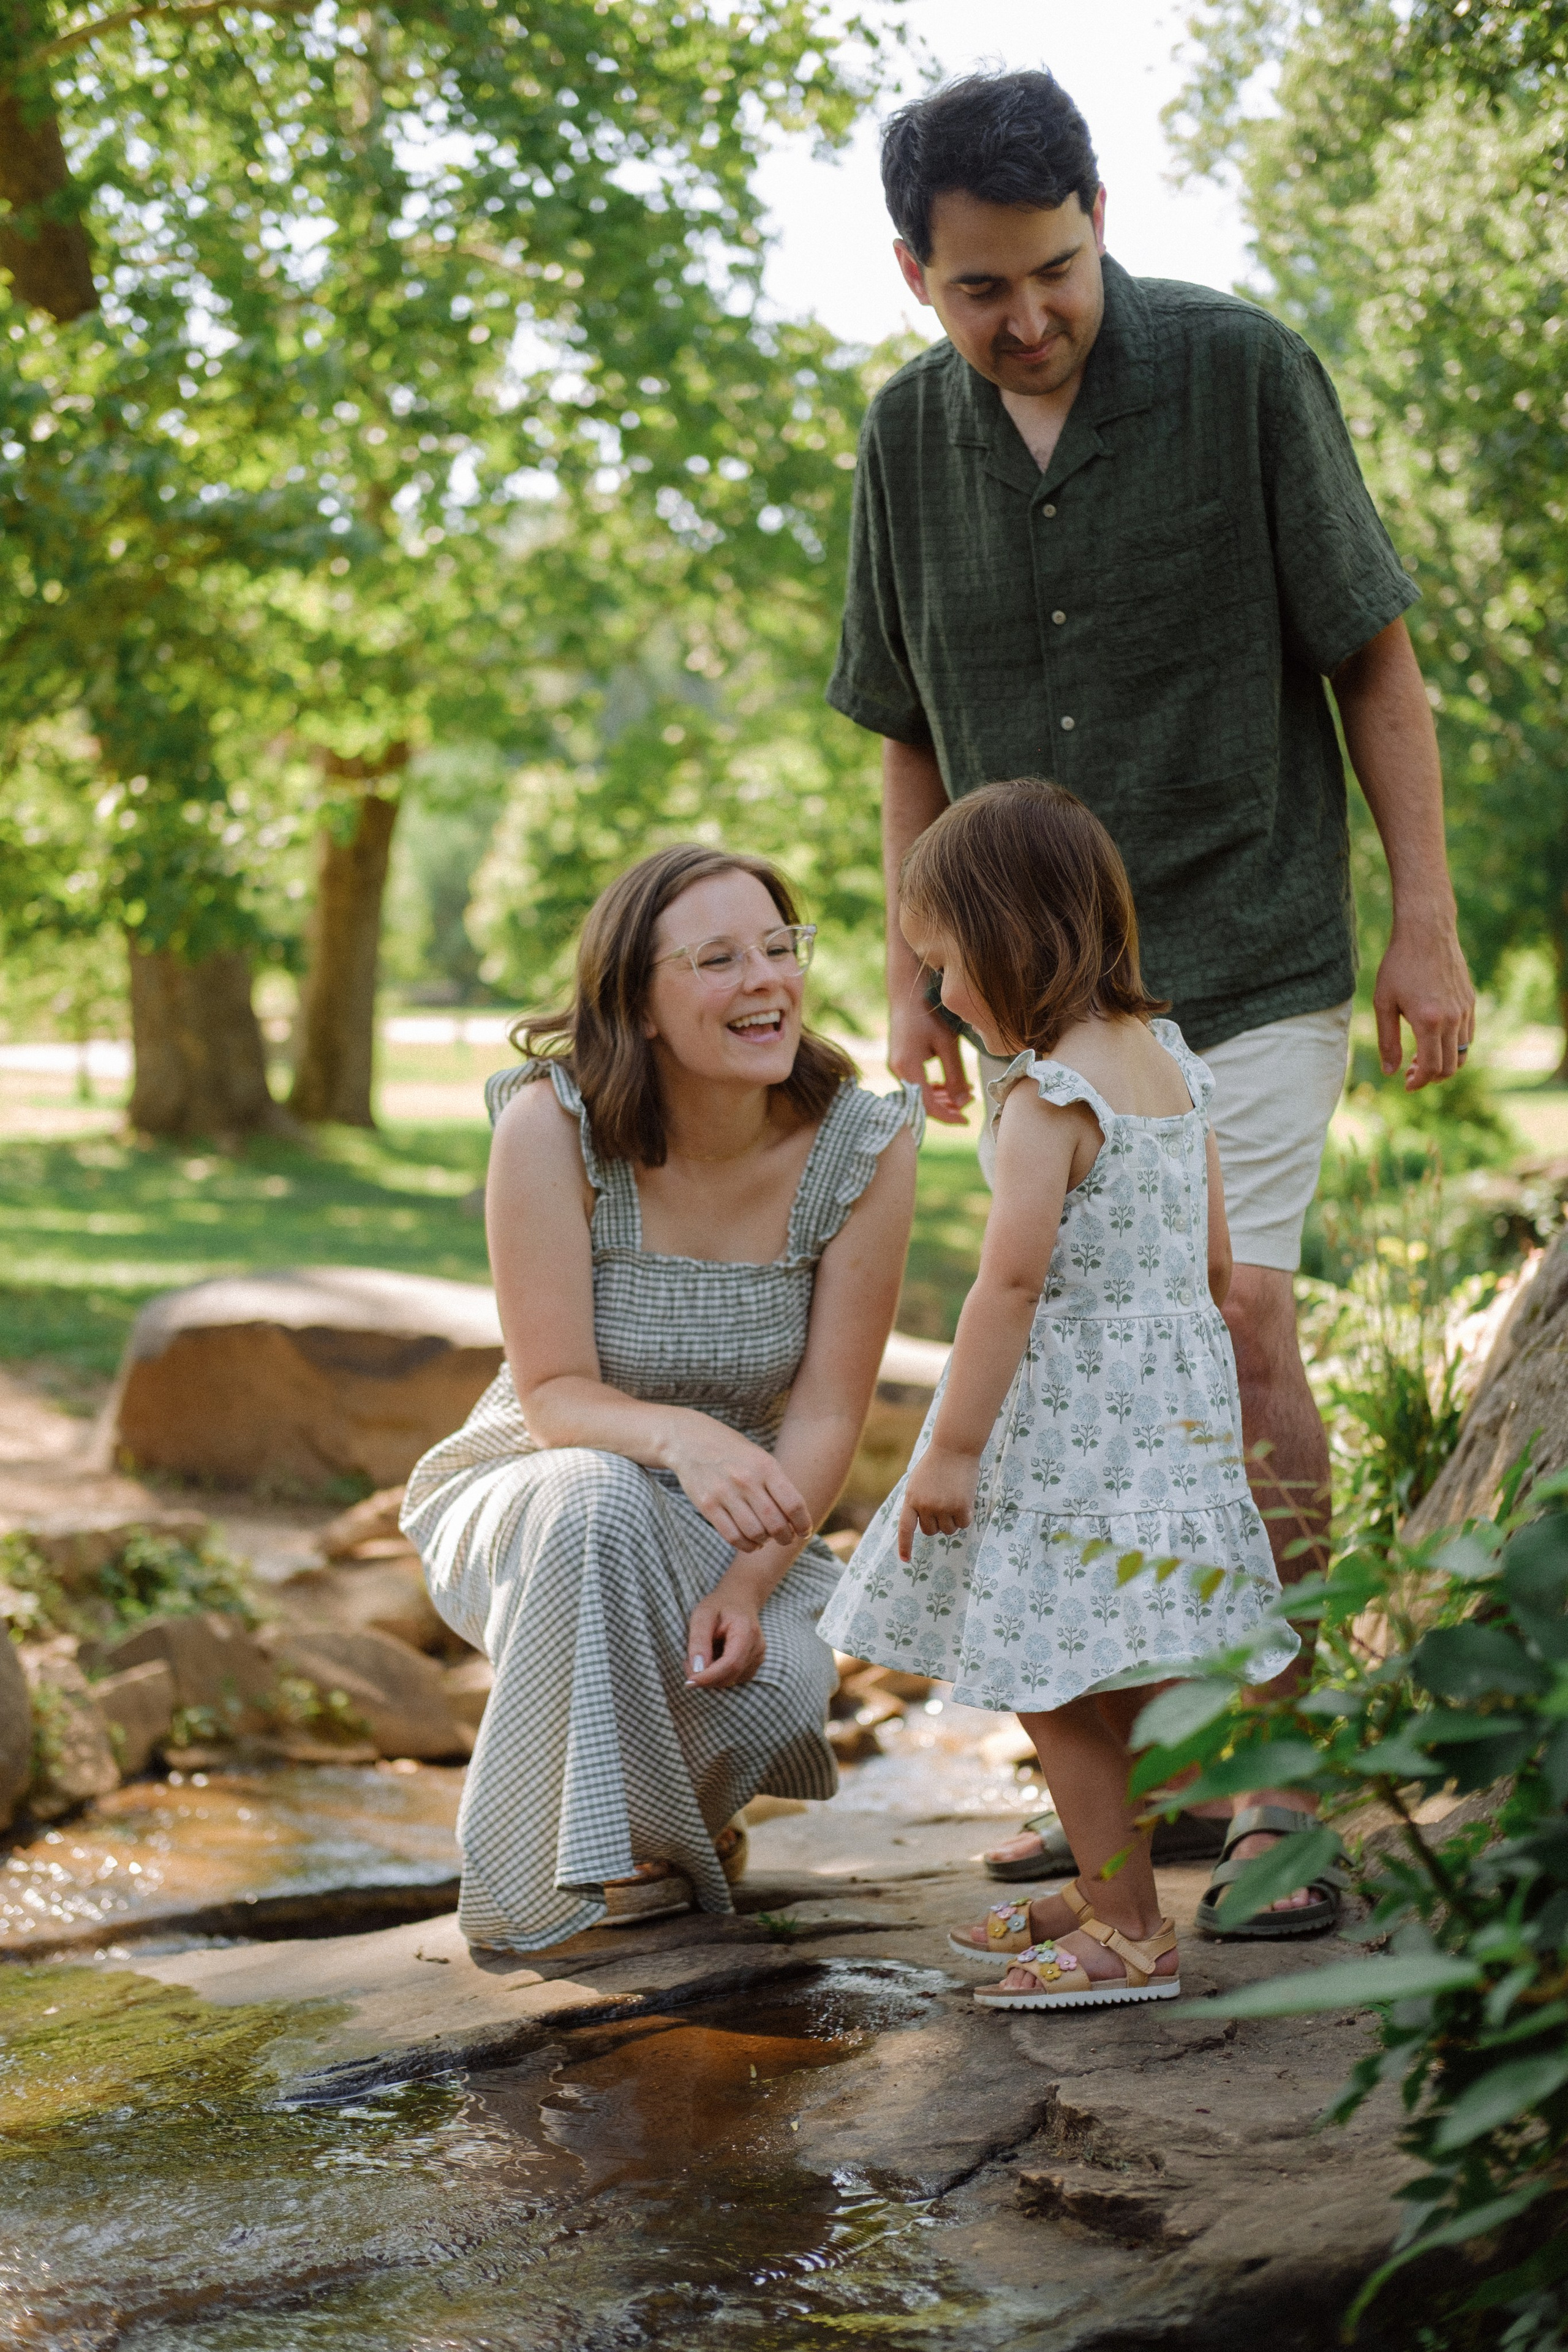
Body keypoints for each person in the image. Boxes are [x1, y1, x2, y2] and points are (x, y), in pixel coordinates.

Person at [827, 68, 1475, 1921]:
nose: (1029, 317)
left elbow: (1376, 660)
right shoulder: (903, 445)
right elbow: (905, 740)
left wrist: (1425, 921)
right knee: (1089, 1370)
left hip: (1248, 945)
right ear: (912, 276)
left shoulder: (1243, 369)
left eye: (1058, 269)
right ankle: (1154, 1776)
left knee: (1238, 1317)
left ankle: (1288, 1777)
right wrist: (915, 985)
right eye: (982, 290)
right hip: (1033, 1005)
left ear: (1100, 217)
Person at [820, 781, 1301, 2010]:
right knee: (1116, 1671)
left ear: (1008, 937)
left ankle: (1128, 1935)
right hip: (1164, 1438)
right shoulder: (1171, 1065)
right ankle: (1103, 1884)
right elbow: (1210, 1267)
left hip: (1063, 1444)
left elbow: (1006, 1288)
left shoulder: (1049, 1100)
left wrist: (949, 1452)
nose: (935, 997)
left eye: (942, 966)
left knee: (1056, 1685)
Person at [399, 845, 919, 1953]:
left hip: (731, 1526)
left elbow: (829, 1413)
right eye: (720, 959)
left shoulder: (863, 1146)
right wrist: (683, 1436)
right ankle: (555, 1880)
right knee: (593, 1500)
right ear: (638, 1003)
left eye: (782, 948)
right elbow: (551, 1398)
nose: (767, 980)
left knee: (772, 1685)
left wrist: (750, 1578)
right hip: (533, 1488)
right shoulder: (553, 1124)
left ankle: (666, 1832)